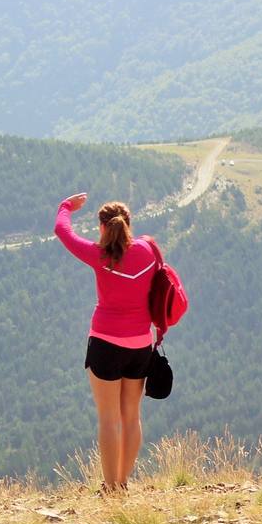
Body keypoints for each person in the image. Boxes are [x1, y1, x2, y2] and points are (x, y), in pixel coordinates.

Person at [55, 192, 157, 494]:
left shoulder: (99, 254)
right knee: (132, 416)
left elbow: (63, 231)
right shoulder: (149, 250)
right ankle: (123, 483)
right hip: (140, 344)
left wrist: (66, 207)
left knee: (109, 419)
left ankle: (110, 487)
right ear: (129, 224)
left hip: (105, 343)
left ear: (102, 228)